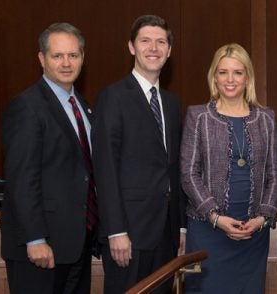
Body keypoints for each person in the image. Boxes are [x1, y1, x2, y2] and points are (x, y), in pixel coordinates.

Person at [1, 22, 97, 294]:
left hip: (76, 243)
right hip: (41, 249)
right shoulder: (27, 107)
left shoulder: (82, 106)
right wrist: (35, 238)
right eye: (57, 56)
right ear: (42, 59)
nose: (66, 63)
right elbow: (22, 179)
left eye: (73, 55)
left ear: (82, 58)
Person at [92, 15, 185, 294]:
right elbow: (105, 168)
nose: (153, 48)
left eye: (161, 42)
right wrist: (116, 231)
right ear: (132, 47)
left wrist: (181, 228)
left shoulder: (171, 103)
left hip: (166, 235)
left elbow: (174, 169)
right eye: (145, 41)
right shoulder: (113, 97)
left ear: (169, 50)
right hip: (128, 235)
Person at [180, 43, 277, 294]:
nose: (230, 79)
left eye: (237, 72)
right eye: (223, 72)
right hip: (207, 232)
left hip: (253, 234)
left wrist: (262, 218)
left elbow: (275, 175)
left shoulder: (266, 118)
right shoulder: (198, 116)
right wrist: (215, 218)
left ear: (248, 77)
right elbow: (188, 173)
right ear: (214, 76)